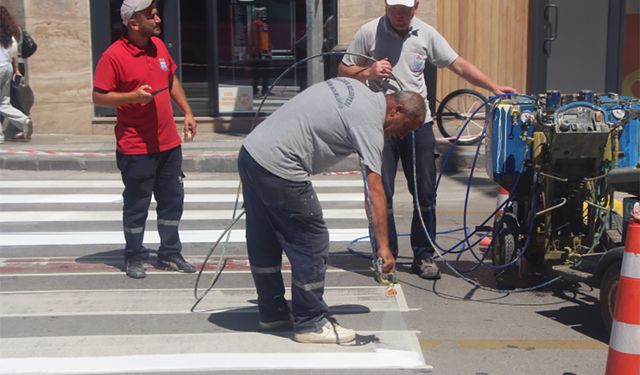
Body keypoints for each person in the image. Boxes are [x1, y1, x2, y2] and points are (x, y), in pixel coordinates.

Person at [239, 76, 425, 344]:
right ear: (395, 110)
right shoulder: (369, 123)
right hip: (279, 165)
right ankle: (310, 322)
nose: (403, 135)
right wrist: (384, 247)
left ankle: (273, 311)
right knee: (311, 241)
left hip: (252, 154)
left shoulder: (356, 88)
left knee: (265, 236)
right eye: (407, 127)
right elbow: (375, 191)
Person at [338, 0, 516, 279]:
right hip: (379, 124)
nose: (400, 14)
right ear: (386, 4)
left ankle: (424, 256)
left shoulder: (426, 34)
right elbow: (343, 71)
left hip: (418, 124)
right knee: (380, 194)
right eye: (395, 8)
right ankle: (385, 255)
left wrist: (492, 87)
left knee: (425, 194)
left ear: (416, 7)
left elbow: (458, 65)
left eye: (405, 9)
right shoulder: (368, 32)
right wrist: (368, 72)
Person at [92, 0, 197, 279]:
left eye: (156, 13)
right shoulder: (113, 55)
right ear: (133, 23)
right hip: (136, 146)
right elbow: (98, 96)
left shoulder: (159, 47)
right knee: (137, 203)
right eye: (151, 15)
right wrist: (132, 96)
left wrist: (187, 111)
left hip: (169, 143)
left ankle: (170, 252)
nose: (158, 18)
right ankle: (134, 256)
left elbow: (171, 80)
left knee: (172, 200)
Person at [0, 6, 32, 143]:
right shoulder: (10, 34)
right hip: (7, 67)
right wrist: (17, 70)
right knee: (3, 102)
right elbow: (14, 54)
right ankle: (23, 120)